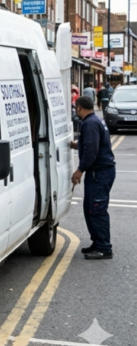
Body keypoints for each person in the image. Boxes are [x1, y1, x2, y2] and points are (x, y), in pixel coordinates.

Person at [69, 96, 115, 260]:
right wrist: (77, 145)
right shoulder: (95, 120)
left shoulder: (89, 123)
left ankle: (104, 248)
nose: (75, 110)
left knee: (97, 209)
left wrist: (80, 170)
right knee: (90, 208)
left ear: (79, 107)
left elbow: (92, 149)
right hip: (99, 172)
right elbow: (94, 143)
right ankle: (97, 242)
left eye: (75, 107)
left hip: (100, 173)